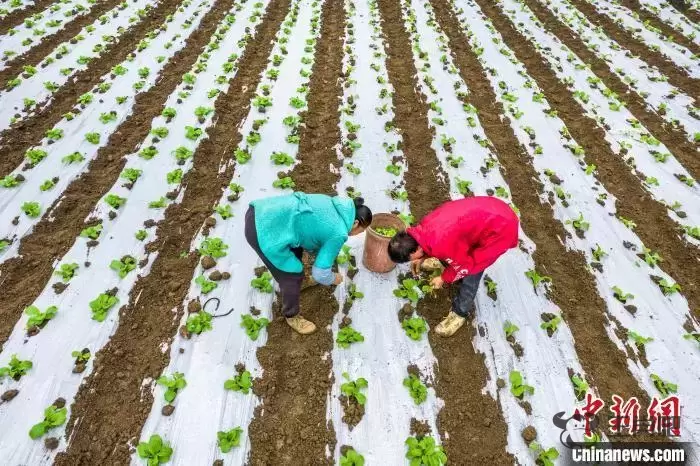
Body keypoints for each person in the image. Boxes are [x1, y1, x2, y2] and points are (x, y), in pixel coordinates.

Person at [388, 196, 518, 337]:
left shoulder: (441, 243)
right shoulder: (423, 228)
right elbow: (444, 242)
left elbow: (465, 265)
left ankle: (460, 312)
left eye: (410, 258)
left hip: (501, 230)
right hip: (492, 209)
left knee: (474, 268)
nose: (411, 261)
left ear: (415, 250)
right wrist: (423, 257)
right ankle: (450, 265)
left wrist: (443, 278)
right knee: (459, 252)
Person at [245, 192, 372, 334]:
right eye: (360, 231)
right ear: (355, 223)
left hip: (262, 211)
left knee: (295, 248)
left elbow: (311, 232)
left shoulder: (333, 203)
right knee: (291, 274)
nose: (356, 234)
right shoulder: (339, 232)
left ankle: (302, 282)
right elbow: (320, 273)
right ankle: (291, 315)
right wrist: (332, 278)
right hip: (264, 232)